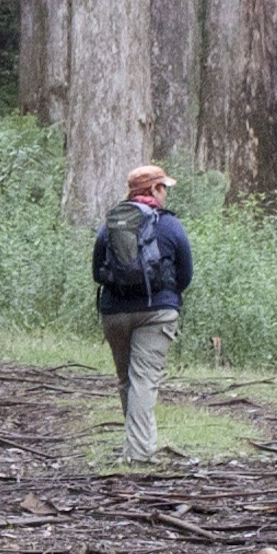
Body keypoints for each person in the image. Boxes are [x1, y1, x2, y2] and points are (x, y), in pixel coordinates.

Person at [89, 163, 193, 460]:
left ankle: (139, 444)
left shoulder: (111, 225)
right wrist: (168, 295)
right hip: (157, 312)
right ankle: (138, 452)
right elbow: (186, 272)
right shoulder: (170, 225)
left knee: (127, 380)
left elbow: (98, 272)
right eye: (164, 188)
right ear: (154, 190)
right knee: (144, 380)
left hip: (115, 313)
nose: (166, 195)